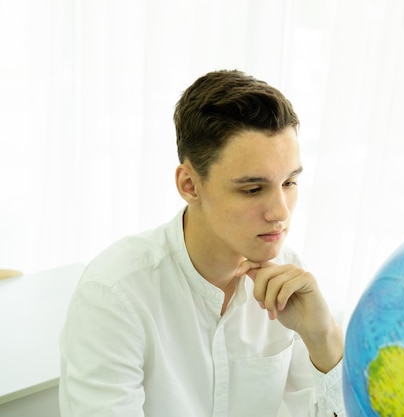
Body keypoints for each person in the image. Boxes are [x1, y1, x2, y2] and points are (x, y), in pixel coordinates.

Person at [59, 70, 345, 417]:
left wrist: (322, 336)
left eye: (289, 182)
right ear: (190, 185)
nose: (280, 212)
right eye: (253, 189)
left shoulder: (291, 280)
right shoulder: (115, 294)